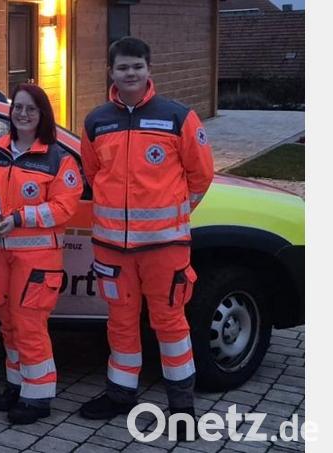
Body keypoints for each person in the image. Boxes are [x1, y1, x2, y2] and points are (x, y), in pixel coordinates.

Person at [77, 36, 214, 435]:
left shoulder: (179, 117)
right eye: (123, 67)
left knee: (170, 323)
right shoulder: (96, 121)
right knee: (119, 323)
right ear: (111, 72)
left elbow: (201, 176)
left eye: (137, 66)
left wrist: (176, 212)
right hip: (112, 248)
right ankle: (121, 395)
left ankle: (182, 404)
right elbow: (92, 174)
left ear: (149, 69)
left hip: (164, 247)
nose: (130, 73)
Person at [0, 83, 83, 425]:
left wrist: (19, 218)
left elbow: (63, 208)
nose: (22, 113)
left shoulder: (59, 158)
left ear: (42, 114)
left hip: (36, 260)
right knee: (8, 324)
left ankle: (38, 397)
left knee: (29, 325)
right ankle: (17, 385)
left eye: (30, 108)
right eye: (18, 107)